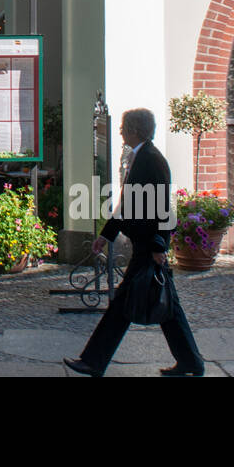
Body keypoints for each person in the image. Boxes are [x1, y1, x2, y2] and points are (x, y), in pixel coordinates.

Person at [64, 109, 204, 377]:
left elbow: (161, 206)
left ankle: (93, 362)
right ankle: (191, 363)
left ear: (135, 130)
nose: (120, 132)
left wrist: (159, 245)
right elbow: (127, 205)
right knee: (165, 307)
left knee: (123, 307)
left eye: (123, 127)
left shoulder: (151, 160)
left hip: (148, 245)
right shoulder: (141, 156)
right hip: (146, 244)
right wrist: (107, 235)